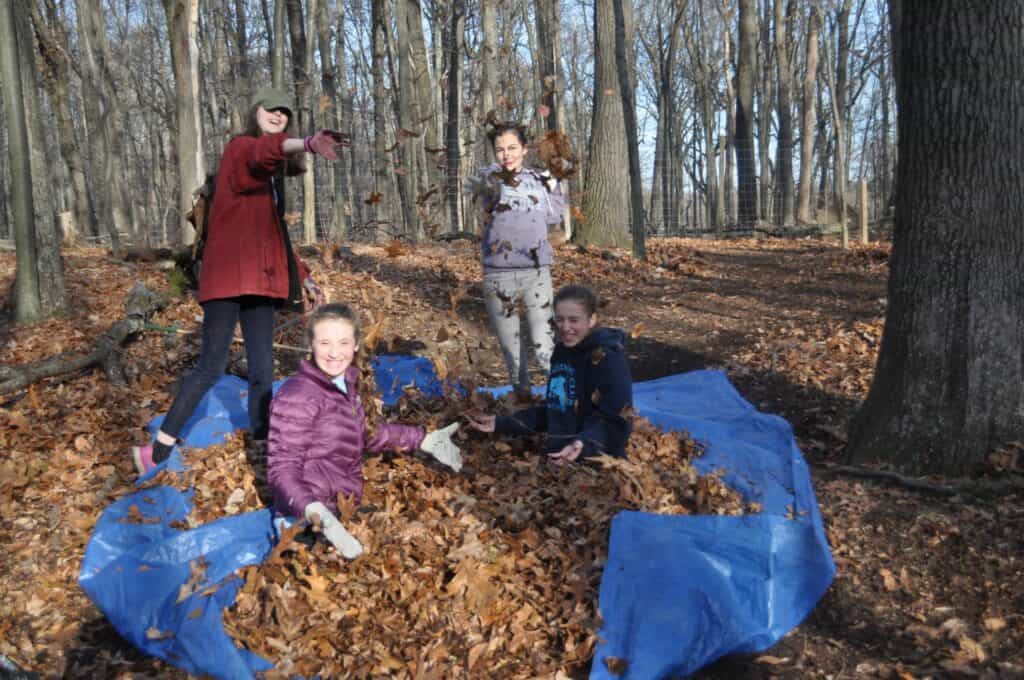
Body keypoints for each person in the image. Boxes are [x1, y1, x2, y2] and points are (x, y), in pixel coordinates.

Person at [132, 87, 350, 474]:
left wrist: (304, 278)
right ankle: (159, 448)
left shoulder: (273, 183)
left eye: (285, 113)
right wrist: (308, 143)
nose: (279, 116)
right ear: (256, 112)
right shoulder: (240, 149)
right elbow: (260, 153)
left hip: (261, 284)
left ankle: (267, 457)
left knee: (263, 371)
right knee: (211, 365)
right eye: (272, 109)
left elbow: (275, 236)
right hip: (228, 279)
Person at [267, 303, 462, 559]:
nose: (334, 353)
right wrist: (315, 512)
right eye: (325, 343)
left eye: (343, 343)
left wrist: (424, 439)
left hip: (340, 505)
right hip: (305, 518)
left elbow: (364, 434)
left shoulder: (345, 382)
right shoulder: (298, 395)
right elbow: (282, 468)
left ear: (356, 344)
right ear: (311, 344)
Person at [465, 285, 633, 464]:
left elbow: (616, 420)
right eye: (560, 319)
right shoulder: (562, 352)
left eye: (573, 320)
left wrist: (582, 444)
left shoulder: (609, 359)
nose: (565, 327)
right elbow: (555, 409)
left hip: (596, 462)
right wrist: (502, 423)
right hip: (558, 460)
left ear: (591, 320)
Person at [465, 121, 566, 398]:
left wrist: (555, 186)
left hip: (536, 272)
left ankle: (563, 402)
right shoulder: (488, 178)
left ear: (523, 149)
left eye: (512, 148)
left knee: (544, 344)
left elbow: (554, 217)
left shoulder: (539, 180)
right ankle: (523, 402)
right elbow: (481, 193)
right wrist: (490, 189)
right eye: (500, 150)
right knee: (512, 349)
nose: (506, 154)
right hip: (499, 277)